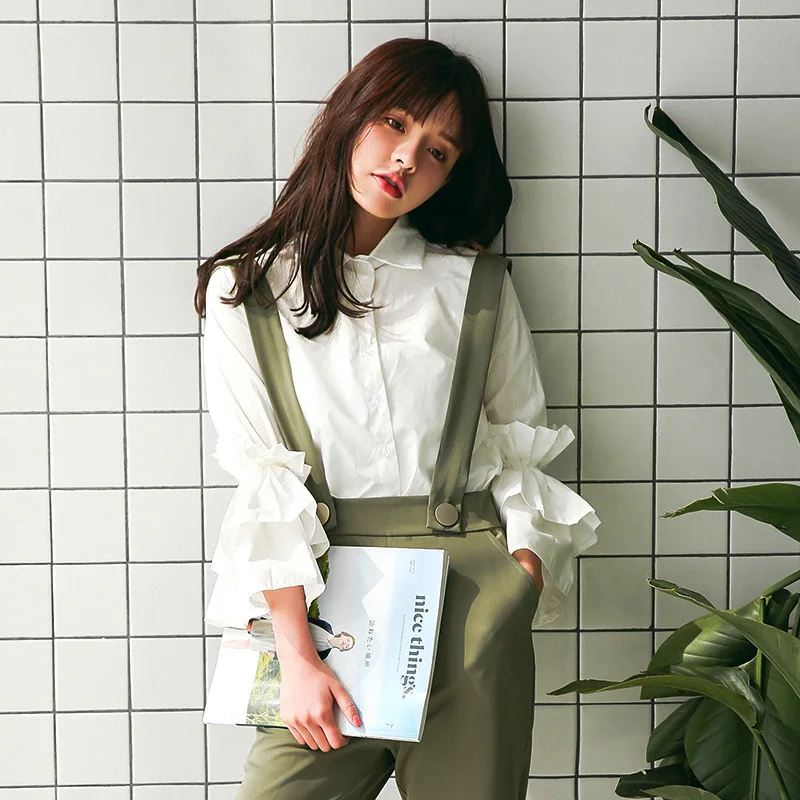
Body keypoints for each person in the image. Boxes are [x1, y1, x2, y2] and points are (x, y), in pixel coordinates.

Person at [195, 37, 600, 800]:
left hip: (472, 604)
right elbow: (264, 479)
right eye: (395, 122)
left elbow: (522, 449)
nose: (408, 158)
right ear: (349, 117)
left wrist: (519, 579)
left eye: (439, 150)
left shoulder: (473, 283)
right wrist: (296, 657)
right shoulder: (245, 291)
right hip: (323, 613)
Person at [247, 616, 356, 661]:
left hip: (281, 645)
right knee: (252, 626)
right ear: (343, 635)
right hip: (284, 627)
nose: (346, 643)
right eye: (348, 640)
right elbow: (304, 618)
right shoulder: (326, 626)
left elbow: (301, 658)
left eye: (347, 646)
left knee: (248, 643)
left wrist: (276, 656)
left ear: (342, 649)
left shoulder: (323, 654)